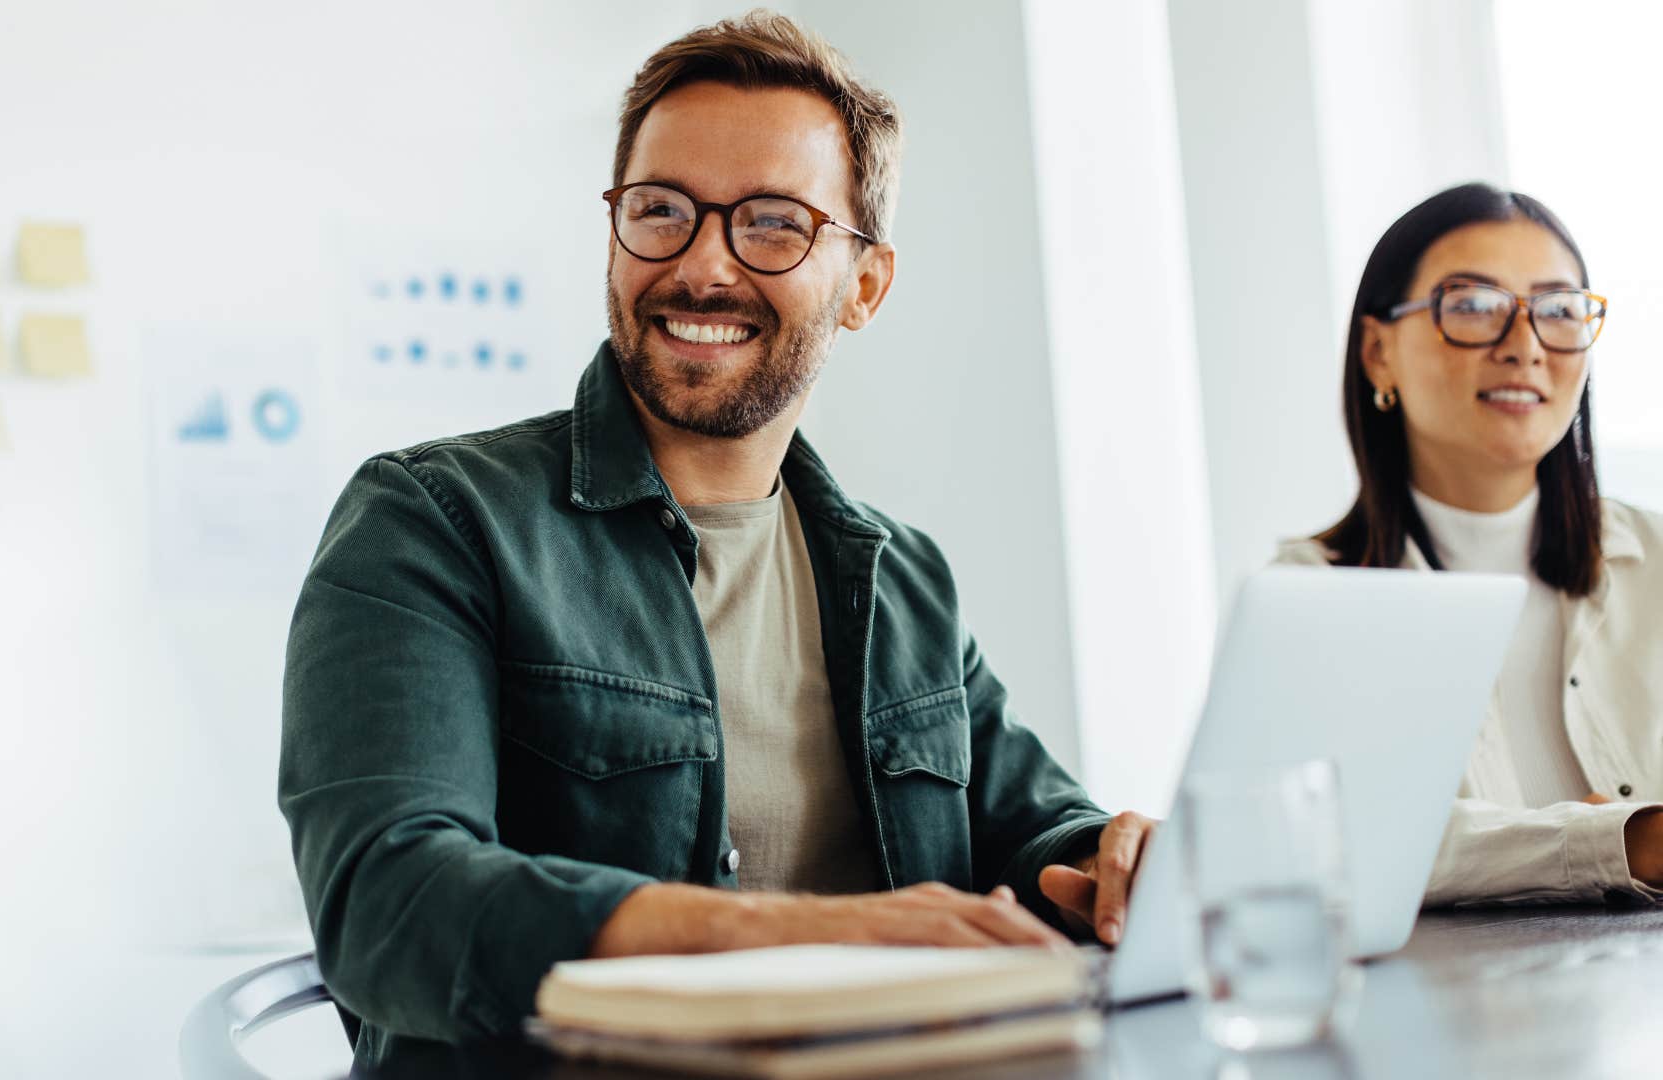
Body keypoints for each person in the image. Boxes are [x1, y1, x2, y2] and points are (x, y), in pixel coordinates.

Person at [278, 11, 1152, 1059]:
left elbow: (1032, 829)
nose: (703, 266)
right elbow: (390, 905)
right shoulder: (433, 521)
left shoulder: (900, 577)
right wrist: (796, 937)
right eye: (662, 211)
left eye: (774, 224)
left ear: (863, 285)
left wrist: (1116, 860)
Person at [1278, 182, 1663, 906]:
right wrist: (1626, 840)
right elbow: (1336, 843)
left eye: (1558, 310)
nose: (1524, 346)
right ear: (1377, 352)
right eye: (1475, 306)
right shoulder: (1308, 599)